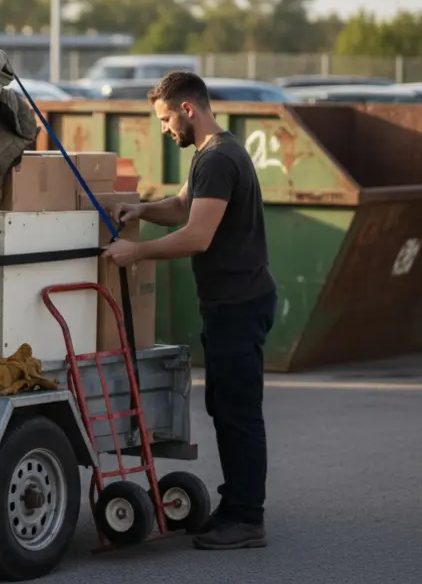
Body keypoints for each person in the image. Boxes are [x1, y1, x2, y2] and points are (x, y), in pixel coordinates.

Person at [101, 70, 277, 551]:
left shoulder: (218, 159)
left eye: (164, 119)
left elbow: (198, 236)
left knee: (238, 414)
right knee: (226, 409)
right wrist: (140, 212)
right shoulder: (211, 154)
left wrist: (136, 253)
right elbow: (183, 207)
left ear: (188, 109)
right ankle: (236, 504)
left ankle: (247, 518)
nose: (163, 129)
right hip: (230, 303)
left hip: (238, 305)